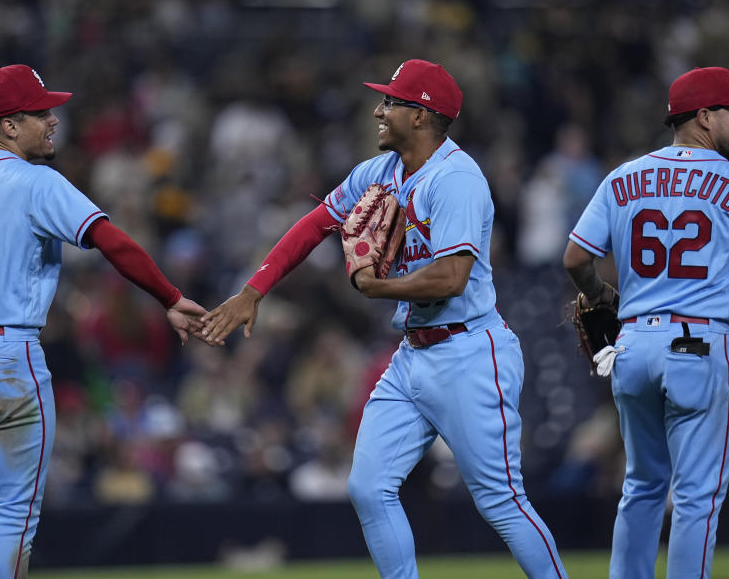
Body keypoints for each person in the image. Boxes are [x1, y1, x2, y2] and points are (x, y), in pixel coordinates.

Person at [202, 59, 568, 578]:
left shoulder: (457, 178)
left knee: (501, 502)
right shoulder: (380, 172)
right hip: (413, 354)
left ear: (421, 115)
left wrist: (378, 287)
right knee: (368, 487)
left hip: (470, 351)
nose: (378, 109)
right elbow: (313, 225)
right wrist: (253, 291)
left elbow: (451, 278)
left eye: (391, 101)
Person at [0, 64, 212, 578]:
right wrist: (169, 296)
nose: (53, 121)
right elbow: (113, 241)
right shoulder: (35, 182)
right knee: (14, 513)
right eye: (40, 112)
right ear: (9, 125)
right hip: (5, 358)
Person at [563, 66, 729, 579]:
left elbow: (574, 258)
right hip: (700, 344)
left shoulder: (622, 178)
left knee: (641, 487)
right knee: (696, 496)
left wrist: (597, 294)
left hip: (631, 347)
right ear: (703, 117)